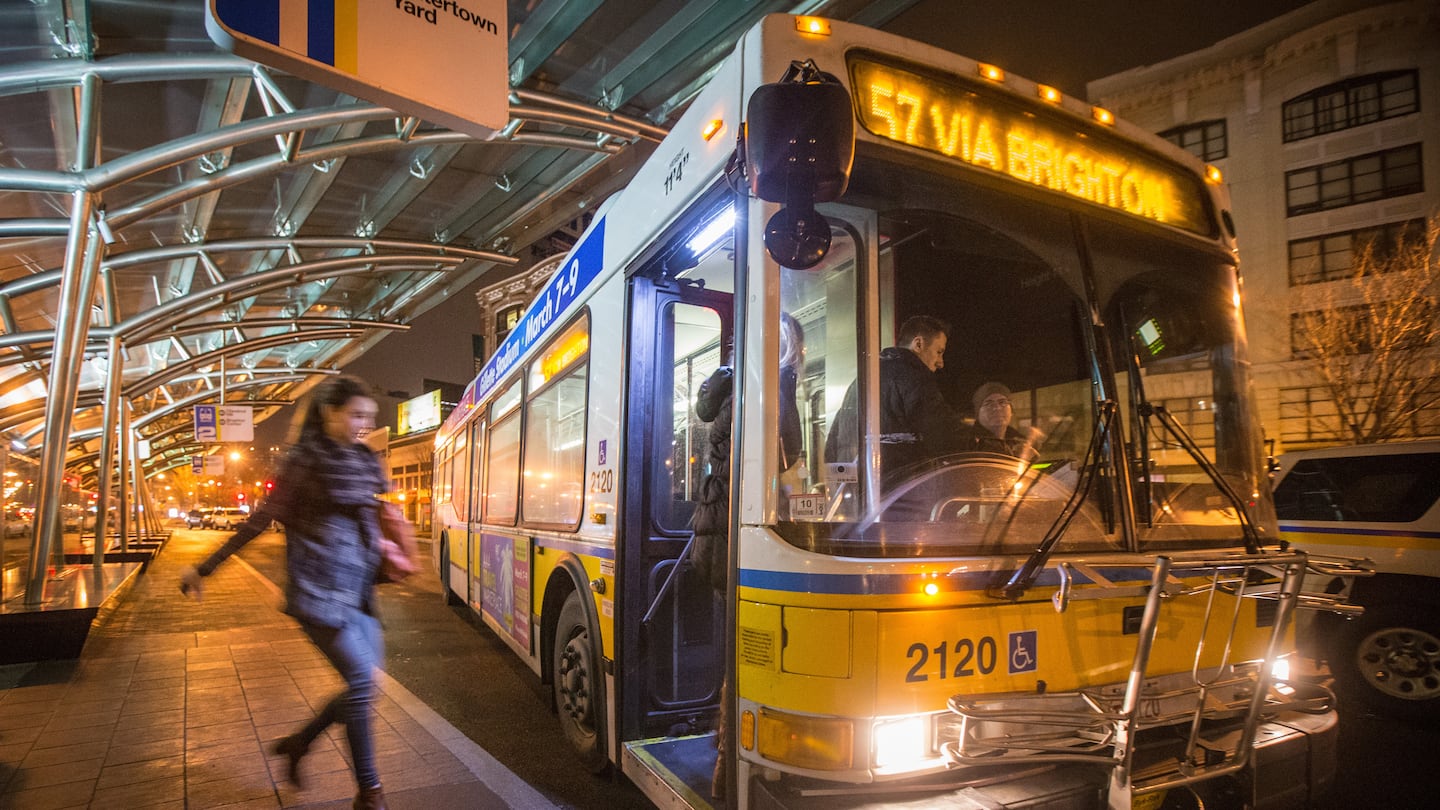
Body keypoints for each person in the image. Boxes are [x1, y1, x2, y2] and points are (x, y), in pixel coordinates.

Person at [179, 376, 392, 810]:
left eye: (368, 418)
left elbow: (369, 521)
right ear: (328, 412)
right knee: (361, 684)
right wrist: (205, 567)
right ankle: (370, 794)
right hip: (317, 593)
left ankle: (299, 743)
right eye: (355, 415)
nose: (362, 425)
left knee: (366, 688)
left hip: (359, 593)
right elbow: (259, 521)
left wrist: (382, 552)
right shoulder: (302, 462)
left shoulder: (362, 460)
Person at [824, 315, 968, 478]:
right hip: (904, 487)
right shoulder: (914, 376)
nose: (940, 362)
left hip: (865, 490)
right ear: (918, 343)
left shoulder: (862, 380)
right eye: (939, 352)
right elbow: (943, 434)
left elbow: (834, 446)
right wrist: (983, 444)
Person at [967, 381, 1042, 460]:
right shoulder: (969, 443)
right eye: (989, 404)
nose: (997, 408)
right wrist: (1019, 459)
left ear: (1011, 411)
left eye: (1002, 402)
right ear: (977, 413)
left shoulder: (1019, 442)